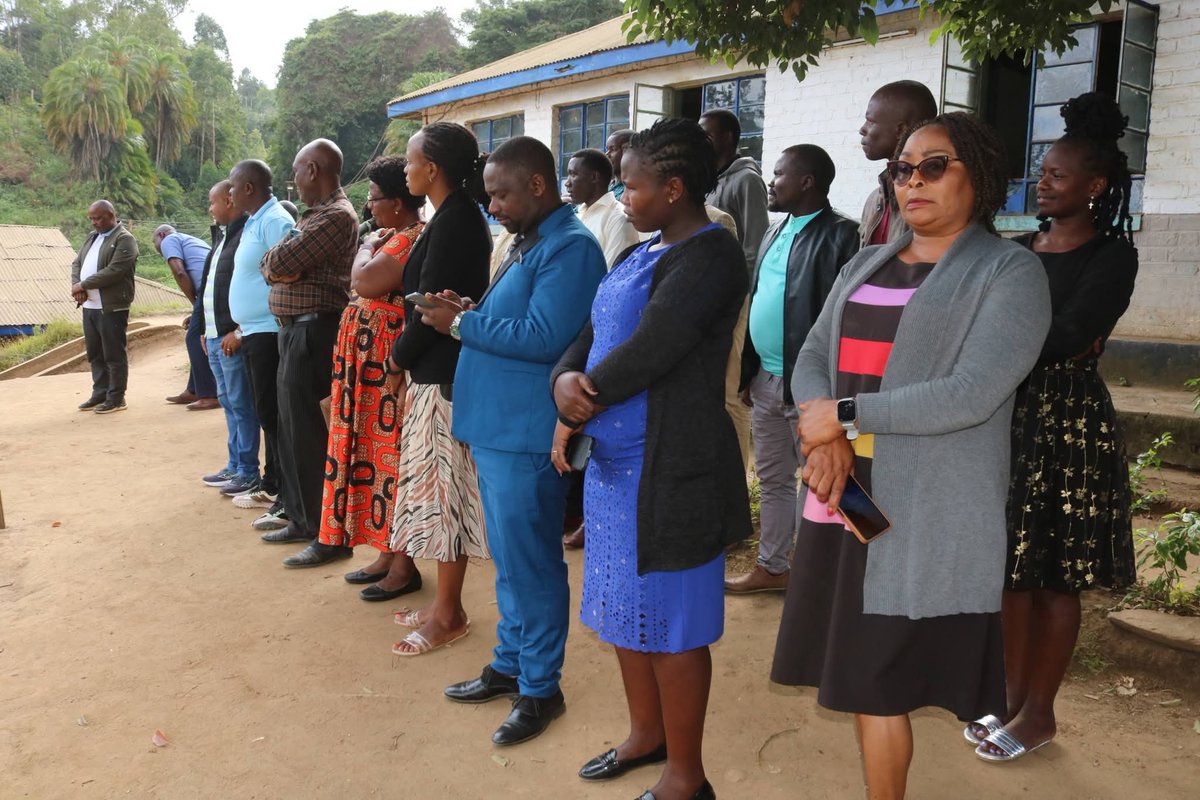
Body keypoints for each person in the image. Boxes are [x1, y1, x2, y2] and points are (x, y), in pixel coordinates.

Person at [770, 112, 1052, 799]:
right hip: (841, 493)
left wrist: (838, 420)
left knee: (878, 675)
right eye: (903, 168)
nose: (913, 181)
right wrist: (823, 434)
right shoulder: (870, 259)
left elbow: (970, 394)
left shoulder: (1008, 272)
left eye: (935, 166)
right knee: (868, 677)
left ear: (978, 178)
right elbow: (812, 355)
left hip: (919, 509)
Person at [549, 118, 748, 800]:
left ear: (674, 187)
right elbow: (591, 328)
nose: (623, 197)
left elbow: (660, 342)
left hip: (671, 470)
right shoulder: (640, 251)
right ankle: (645, 734)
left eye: (632, 186)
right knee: (622, 608)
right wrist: (563, 382)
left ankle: (686, 777)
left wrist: (585, 393)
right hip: (612, 466)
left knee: (673, 622)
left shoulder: (711, 254)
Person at [971, 93, 1139, 763]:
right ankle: (1011, 699)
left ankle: (1040, 713)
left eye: (1059, 173)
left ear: (1096, 186)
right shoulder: (1015, 249)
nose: (1043, 180)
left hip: (1069, 427)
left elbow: (1070, 336)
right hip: (1007, 422)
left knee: (1055, 578)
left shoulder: (1112, 256)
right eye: (1041, 170)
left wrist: (1011, 337)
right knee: (1011, 572)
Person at [426, 135, 605, 745]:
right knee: (508, 561)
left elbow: (543, 335)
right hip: (500, 427)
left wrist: (462, 322)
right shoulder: (532, 239)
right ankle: (510, 664)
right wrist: (472, 309)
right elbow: (519, 317)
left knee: (532, 566)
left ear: (536, 184)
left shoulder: (570, 247)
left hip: (527, 434)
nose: (492, 206)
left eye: (500, 194)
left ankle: (540, 688)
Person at [366, 124, 491, 664]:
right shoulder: (448, 218)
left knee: (445, 497)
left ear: (432, 170)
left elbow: (430, 309)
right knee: (434, 491)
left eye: (412, 162)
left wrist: (395, 359)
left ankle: (449, 612)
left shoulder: (457, 222)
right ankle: (444, 602)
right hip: (433, 372)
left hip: (442, 373)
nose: (407, 170)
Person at [725, 144, 859, 595]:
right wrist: (749, 372)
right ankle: (774, 566)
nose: (770, 182)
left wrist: (833, 390)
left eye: (779, 174)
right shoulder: (773, 231)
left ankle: (822, 576)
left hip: (812, 390)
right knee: (773, 479)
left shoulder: (845, 235)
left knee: (826, 480)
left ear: (806, 181)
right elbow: (758, 302)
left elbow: (843, 319)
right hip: (766, 382)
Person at [282, 156, 426, 572]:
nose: (370, 207)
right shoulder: (392, 235)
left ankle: (401, 561)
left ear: (397, 203)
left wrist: (364, 249)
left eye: (376, 198)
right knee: (370, 458)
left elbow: (362, 281)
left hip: (384, 369)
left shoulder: (409, 237)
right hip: (363, 370)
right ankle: (384, 552)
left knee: (388, 458)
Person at [258, 141, 357, 556]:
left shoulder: (334, 217)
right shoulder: (314, 217)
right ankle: (301, 519)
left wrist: (284, 266)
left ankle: (327, 534)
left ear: (313, 170)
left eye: (296, 172)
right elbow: (273, 265)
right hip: (294, 332)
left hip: (314, 333)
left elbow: (277, 264)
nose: (293, 182)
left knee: (311, 436)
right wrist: (282, 266)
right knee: (291, 432)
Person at [699, 108, 769, 469]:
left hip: (735, 299)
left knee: (732, 396)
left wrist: (744, 305)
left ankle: (739, 488)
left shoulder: (746, 181)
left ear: (727, 137)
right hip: (710, 300)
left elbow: (754, 245)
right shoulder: (714, 179)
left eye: (707, 134)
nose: (702, 141)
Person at [228, 159, 296, 523]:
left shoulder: (275, 221)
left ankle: (286, 494)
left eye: (233, 187)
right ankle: (273, 483)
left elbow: (289, 271)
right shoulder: (256, 220)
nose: (230, 193)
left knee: (275, 413)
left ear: (249, 188)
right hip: (254, 331)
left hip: (270, 331)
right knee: (266, 411)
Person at [194, 182, 262, 498]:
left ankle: (248, 470)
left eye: (212, 202)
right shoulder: (222, 238)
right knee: (228, 402)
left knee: (240, 403)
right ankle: (235, 464)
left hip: (231, 336)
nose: (210, 208)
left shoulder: (246, 236)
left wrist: (238, 331)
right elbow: (208, 288)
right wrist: (202, 331)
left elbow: (254, 286)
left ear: (227, 200)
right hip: (214, 335)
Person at [71, 200, 138, 415]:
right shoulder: (92, 238)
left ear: (111, 215)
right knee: (95, 353)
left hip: (112, 307)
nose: (94, 223)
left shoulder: (124, 239)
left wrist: (84, 284)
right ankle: (100, 392)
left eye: (98, 218)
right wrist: (77, 286)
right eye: (91, 219)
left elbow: (115, 270)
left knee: (113, 354)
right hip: (89, 305)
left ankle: (117, 397)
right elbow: (77, 263)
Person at [857, 80, 938, 248]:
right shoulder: (875, 199)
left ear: (900, 130)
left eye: (870, 121)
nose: (862, 129)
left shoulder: (932, 199)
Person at [154, 225, 218, 410]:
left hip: (207, 290)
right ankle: (193, 389)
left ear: (161, 234)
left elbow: (179, 272)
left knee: (194, 338)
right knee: (195, 334)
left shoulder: (169, 240)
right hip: (213, 288)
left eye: (155, 243)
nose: (158, 248)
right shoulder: (192, 240)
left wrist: (195, 303)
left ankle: (209, 394)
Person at [566, 148, 640, 268]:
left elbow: (611, 276)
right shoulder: (578, 214)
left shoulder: (619, 219)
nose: (567, 183)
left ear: (594, 177)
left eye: (573, 174)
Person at [604, 129, 634, 201]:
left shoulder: (630, 192)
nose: (607, 154)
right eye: (607, 149)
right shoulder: (605, 185)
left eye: (613, 149)